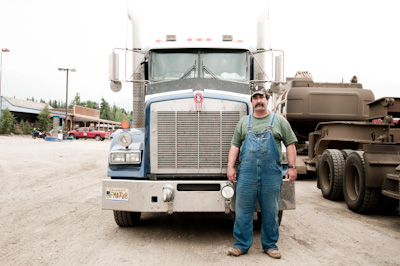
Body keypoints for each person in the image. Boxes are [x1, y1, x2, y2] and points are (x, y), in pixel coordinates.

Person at [226, 85, 298, 259]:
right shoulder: (244, 122)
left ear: (267, 99)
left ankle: (270, 245)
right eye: (255, 97)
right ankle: (241, 245)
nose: (259, 100)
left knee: (271, 210)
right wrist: (230, 166)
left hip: (271, 174)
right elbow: (235, 145)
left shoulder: (279, 121)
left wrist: (292, 167)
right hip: (247, 173)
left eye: (262, 97)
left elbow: (290, 144)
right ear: (251, 101)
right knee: (242, 210)